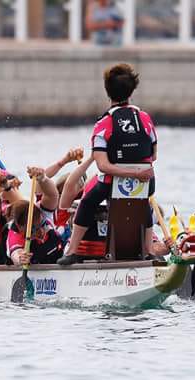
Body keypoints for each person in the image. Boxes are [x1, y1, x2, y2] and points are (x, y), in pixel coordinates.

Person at [58, 63, 157, 266]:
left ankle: (72, 251)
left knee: (87, 200)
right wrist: (137, 174)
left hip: (112, 182)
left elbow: (103, 166)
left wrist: (127, 174)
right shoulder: (145, 119)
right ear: (132, 91)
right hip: (147, 180)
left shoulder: (103, 123)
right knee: (143, 200)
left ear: (107, 91)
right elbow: (153, 155)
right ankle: (149, 251)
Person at [6, 167, 63, 266]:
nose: (40, 232)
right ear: (21, 227)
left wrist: (43, 179)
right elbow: (16, 252)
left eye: (41, 225)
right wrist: (20, 258)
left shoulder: (42, 211)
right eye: (33, 230)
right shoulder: (15, 230)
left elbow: (52, 195)